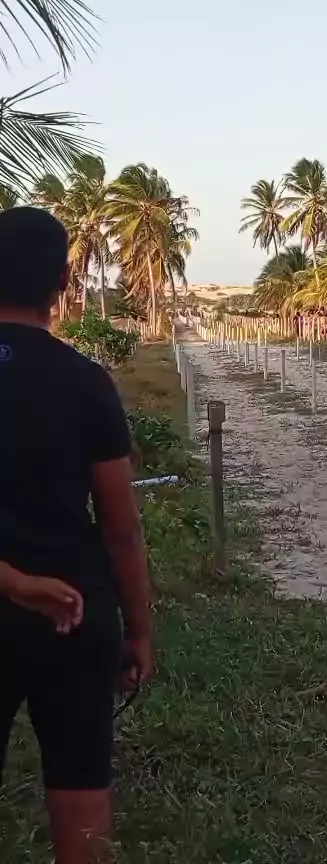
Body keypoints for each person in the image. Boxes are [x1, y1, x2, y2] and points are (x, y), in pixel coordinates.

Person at [0, 207, 153, 863]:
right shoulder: (86, 381)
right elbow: (121, 528)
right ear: (63, 281)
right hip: (77, 608)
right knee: (82, 795)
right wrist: (139, 631)